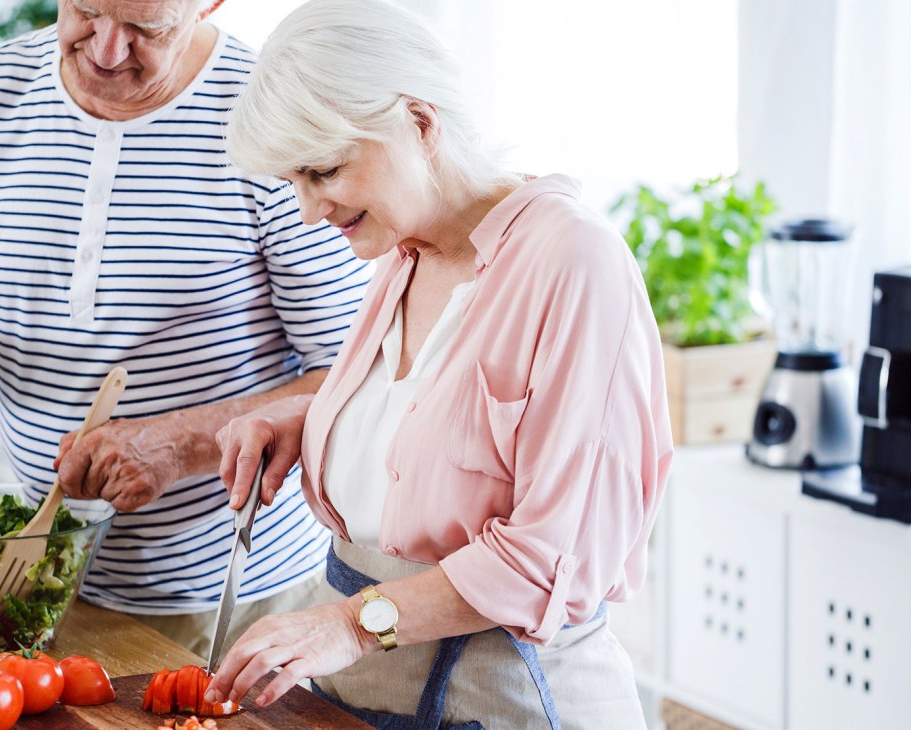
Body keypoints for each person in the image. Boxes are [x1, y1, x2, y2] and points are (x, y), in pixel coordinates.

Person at [0, 0, 372, 658]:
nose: (107, 50)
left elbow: (359, 377)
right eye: (87, 11)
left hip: (235, 604)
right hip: (38, 591)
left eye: (144, 29)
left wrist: (181, 444)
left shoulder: (273, 119)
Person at [204, 0, 672, 726]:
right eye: (296, 182)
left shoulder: (574, 261)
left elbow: (551, 558)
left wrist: (350, 624)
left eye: (324, 172)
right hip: (371, 701)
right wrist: (320, 419)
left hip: (510, 700)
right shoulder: (405, 252)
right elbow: (448, 423)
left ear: (420, 123)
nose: (307, 211)